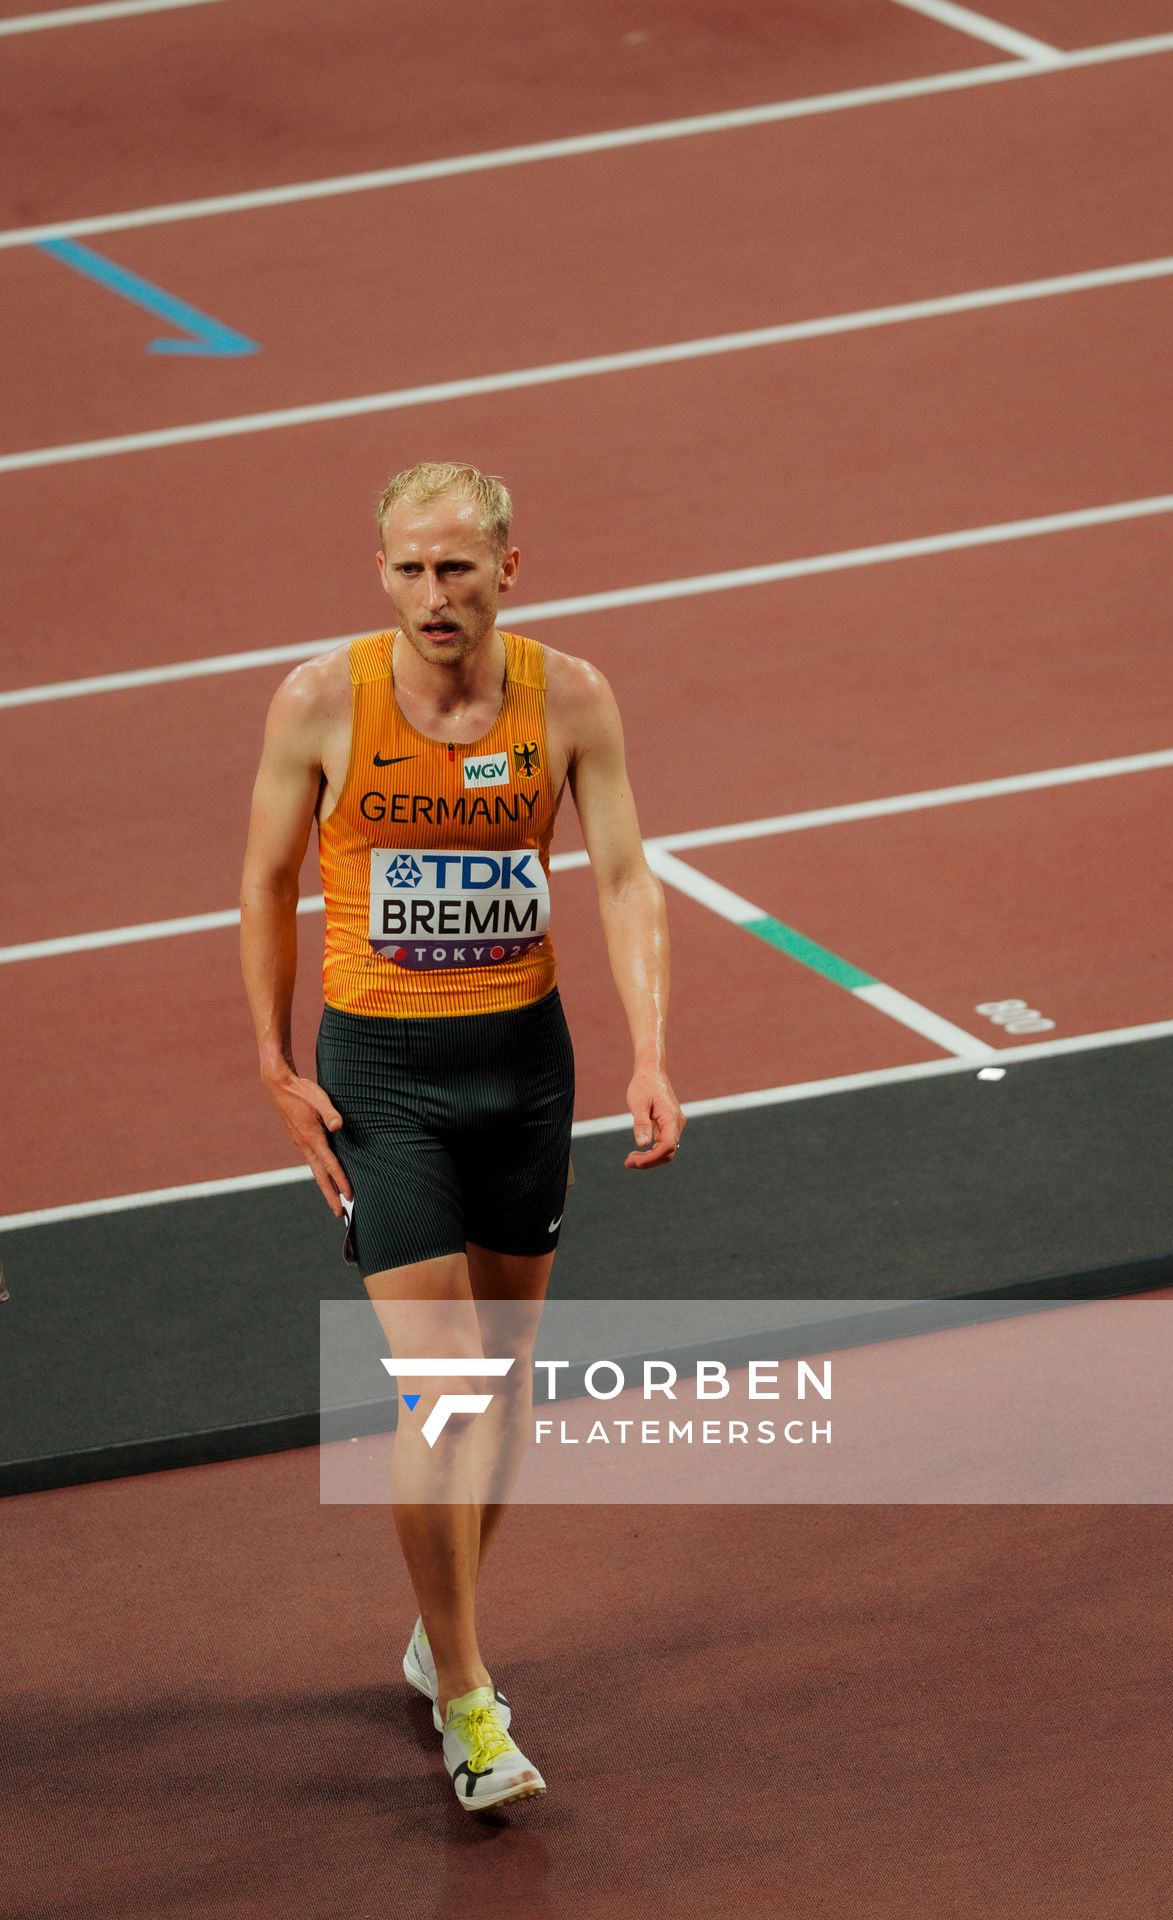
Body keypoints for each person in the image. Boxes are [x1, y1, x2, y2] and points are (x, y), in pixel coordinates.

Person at [239, 461, 684, 1811]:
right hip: (385, 1078)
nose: (433, 594)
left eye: (457, 568)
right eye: (408, 570)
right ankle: (476, 1700)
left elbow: (620, 873)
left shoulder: (574, 699)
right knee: (446, 1389)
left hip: (521, 1070)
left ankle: (442, 1639)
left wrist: (651, 1047)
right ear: (381, 575)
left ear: (508, 568)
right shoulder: (324, 700)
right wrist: (270, 1061)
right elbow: (262, 880)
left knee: (508, 1380)